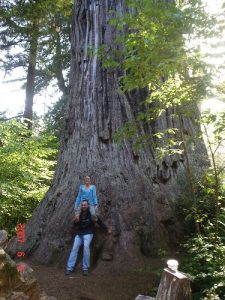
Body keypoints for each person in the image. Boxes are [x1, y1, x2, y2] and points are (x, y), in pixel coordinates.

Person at [66, 200, 109, 276]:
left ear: (88, 205)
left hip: (88, 233)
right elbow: (75, 224)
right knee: (74, 249)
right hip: (79, 234)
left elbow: (99, 222)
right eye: (82, 205)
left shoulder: (92, 214)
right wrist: (76, 221)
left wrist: (106, 229)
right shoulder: (79, 214)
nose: (83, 206)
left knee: (86, 247)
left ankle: (85, 268)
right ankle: (69, 268)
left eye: (85, 205)